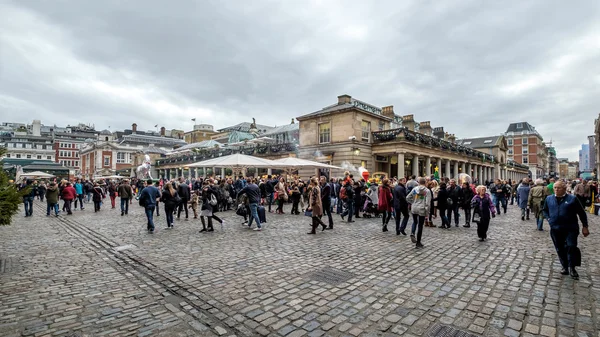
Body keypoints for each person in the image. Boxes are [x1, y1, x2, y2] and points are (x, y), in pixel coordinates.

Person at [543, 181, 589, 280]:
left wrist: (585, 226)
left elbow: (581, 213)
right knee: (559, 248)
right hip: (555, 228)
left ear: (564, 188)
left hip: (570, 228)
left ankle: (572, 267)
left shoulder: (572, 199)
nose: (556, 189)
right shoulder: (549, 198)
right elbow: (545, 210)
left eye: (558, 188)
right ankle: (565, 266)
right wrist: (549, 219)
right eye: (555, 188)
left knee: (571, 246)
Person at [406, 178, 431, 248]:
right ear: (425, 183)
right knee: (420, 225)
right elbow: (428, 203)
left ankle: (412, 232)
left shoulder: (415, 190)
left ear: (419, 182)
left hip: (414, 208)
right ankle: (418, 242)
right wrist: (427, 212)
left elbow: (408, 197)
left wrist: (412, 203)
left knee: (414, 221)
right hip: (422, 208)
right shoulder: (426, 191)